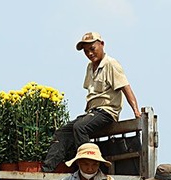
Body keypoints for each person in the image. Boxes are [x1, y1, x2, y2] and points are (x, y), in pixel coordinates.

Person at [42, 31, 142, 172]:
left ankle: (90, 166)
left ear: (102, 45)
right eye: (86, 51)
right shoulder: (90, 67)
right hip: (93, 112)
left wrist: (136, 111)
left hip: (107, 111)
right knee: (63, 131)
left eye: (92, 49)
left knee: (80, 127)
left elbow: (126, 87)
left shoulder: (111, 64)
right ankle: (48, 169)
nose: (89, 53)